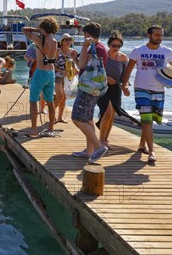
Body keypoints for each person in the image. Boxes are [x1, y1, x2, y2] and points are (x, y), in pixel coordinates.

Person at [121, 25, 172, 163]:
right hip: (141, 88)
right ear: (148, 35)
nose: (159, 38)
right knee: (147, 120)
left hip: (159, 89)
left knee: (151, 120)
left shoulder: (167, 51)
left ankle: (142, 145)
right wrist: (124, 84)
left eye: (161, 35)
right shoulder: (138, 51)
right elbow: (129, 69)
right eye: (156, 35)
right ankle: (152, 151)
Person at [71, 22, 109, 163]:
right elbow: (84, 67)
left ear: (87, 35)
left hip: (88, 88)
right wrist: (76, 57)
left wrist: (84, 47)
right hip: (96, 87)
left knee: (77, 118)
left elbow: (81, 66)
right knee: (87, 118)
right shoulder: (101, 48)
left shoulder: (93, 48)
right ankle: (89, 150)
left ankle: (99, 147)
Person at [22, 17, 59, 137]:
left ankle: (33, 130)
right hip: (51, 73)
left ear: (43, 27)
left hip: (40, 72)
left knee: (33, 101)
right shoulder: (55, 41)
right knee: (50, 102)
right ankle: (51, 129)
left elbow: (24, 30)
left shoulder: (39, 39)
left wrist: (37, 30)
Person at [96, 31, 129, 148]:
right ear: (109, 45)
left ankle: (105, 139)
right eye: (114, 45)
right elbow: (97, 71)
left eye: (119, 46)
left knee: (111, 115)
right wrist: (107, 78)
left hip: (116, 88)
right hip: (103, 87)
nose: (116, 48)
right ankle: (100, 140)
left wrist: (126, 86)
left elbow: (125, 76)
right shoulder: (104, 55)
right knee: (107, 112)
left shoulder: (123, 57)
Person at [54, 33, 79, 124]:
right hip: (58, 76)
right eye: (66, 40)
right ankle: (52, 114)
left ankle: (60, 117)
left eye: (70, 40)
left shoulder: (72, 51)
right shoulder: (58, 51)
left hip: (68, 78)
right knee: (60, 97)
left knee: (64, 98)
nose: (69, 41)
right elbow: (52, 65)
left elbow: (74, 64)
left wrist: (77, 70)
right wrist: (61, 71)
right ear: (62, 42)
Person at [24, 43, 47, 113]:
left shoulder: (47, 43)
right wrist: (31, 58)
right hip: (34, 70)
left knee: (44, 91)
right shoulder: (33, 45)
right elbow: (25, 56)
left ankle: (42, 108)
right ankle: (34, 109)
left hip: (45, 71)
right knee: (35, 91)